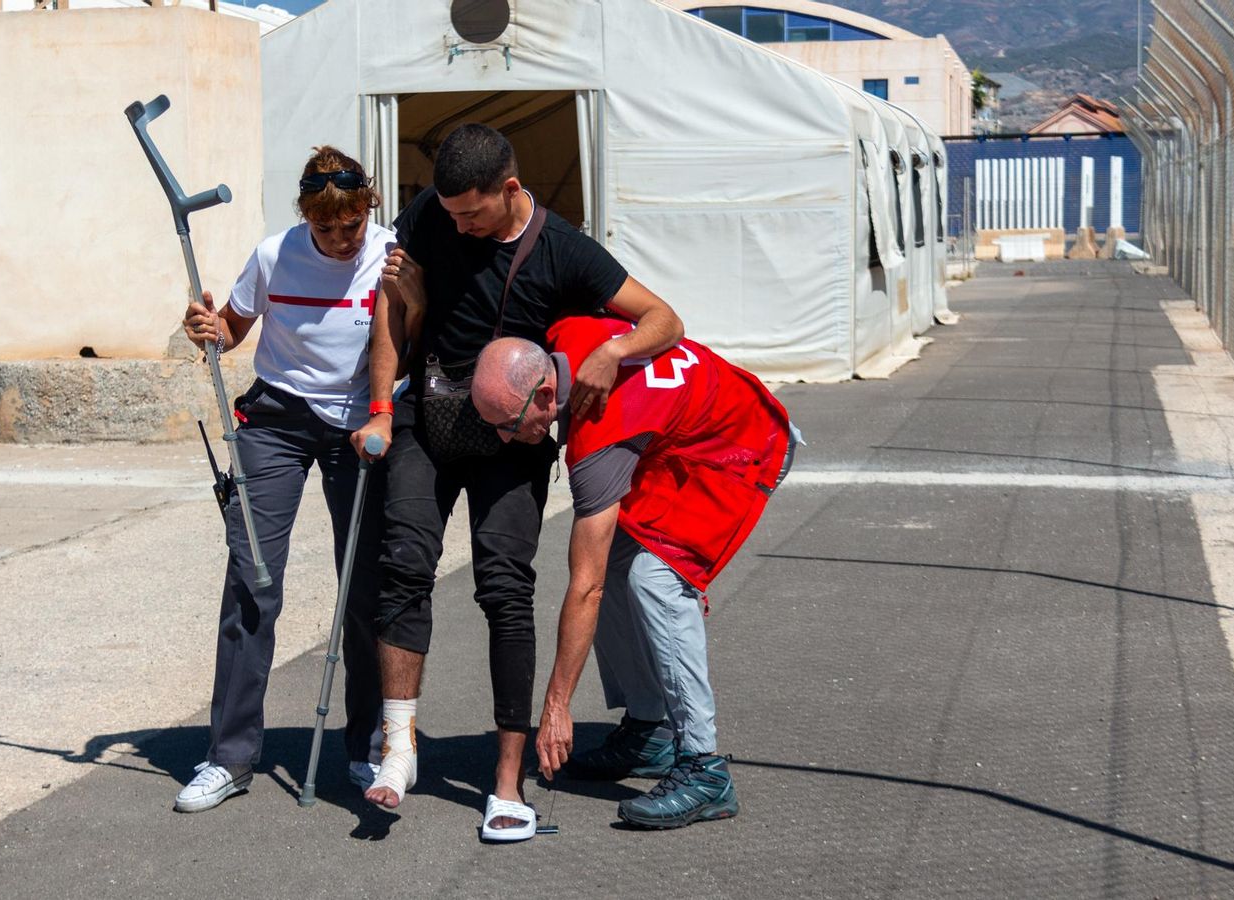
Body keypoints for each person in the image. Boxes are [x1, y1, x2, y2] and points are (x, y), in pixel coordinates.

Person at [348, 124, 684, 842]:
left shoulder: (564, 247)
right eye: (448, 212)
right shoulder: (430, 213)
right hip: (429, 416)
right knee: (403, 564)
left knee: (505, 588)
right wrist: (380, 408)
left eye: (471, 213)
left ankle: (507, 783)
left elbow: (665, 319)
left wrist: (613, 353)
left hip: (510, 436)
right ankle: (400, 747)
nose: (457, 224)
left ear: (508, 189)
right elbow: (391, 310)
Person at [470, 315, 800, 830]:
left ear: (543, 398)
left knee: (654, 578)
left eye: (508, 426)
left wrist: (557, 705)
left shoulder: (600, 438)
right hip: (688, 438)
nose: (506, 440)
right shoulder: (566, 335)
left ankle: (704, 767)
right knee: (620, 558)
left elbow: (587, 588)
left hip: (744, 444)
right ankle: (650, 731)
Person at [173, 147, 394, 813]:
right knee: (252, 579)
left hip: (358, 422)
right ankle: (229, 756)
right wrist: (209, 328)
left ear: (368, 209)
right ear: (306, 218)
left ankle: (367, 744)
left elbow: (407, 336)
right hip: (276, 418)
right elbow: (234, 328)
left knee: (365, 585)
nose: (337, 239)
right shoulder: (275, 255)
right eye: (325, 228)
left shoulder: (391, 255)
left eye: (350, 225)